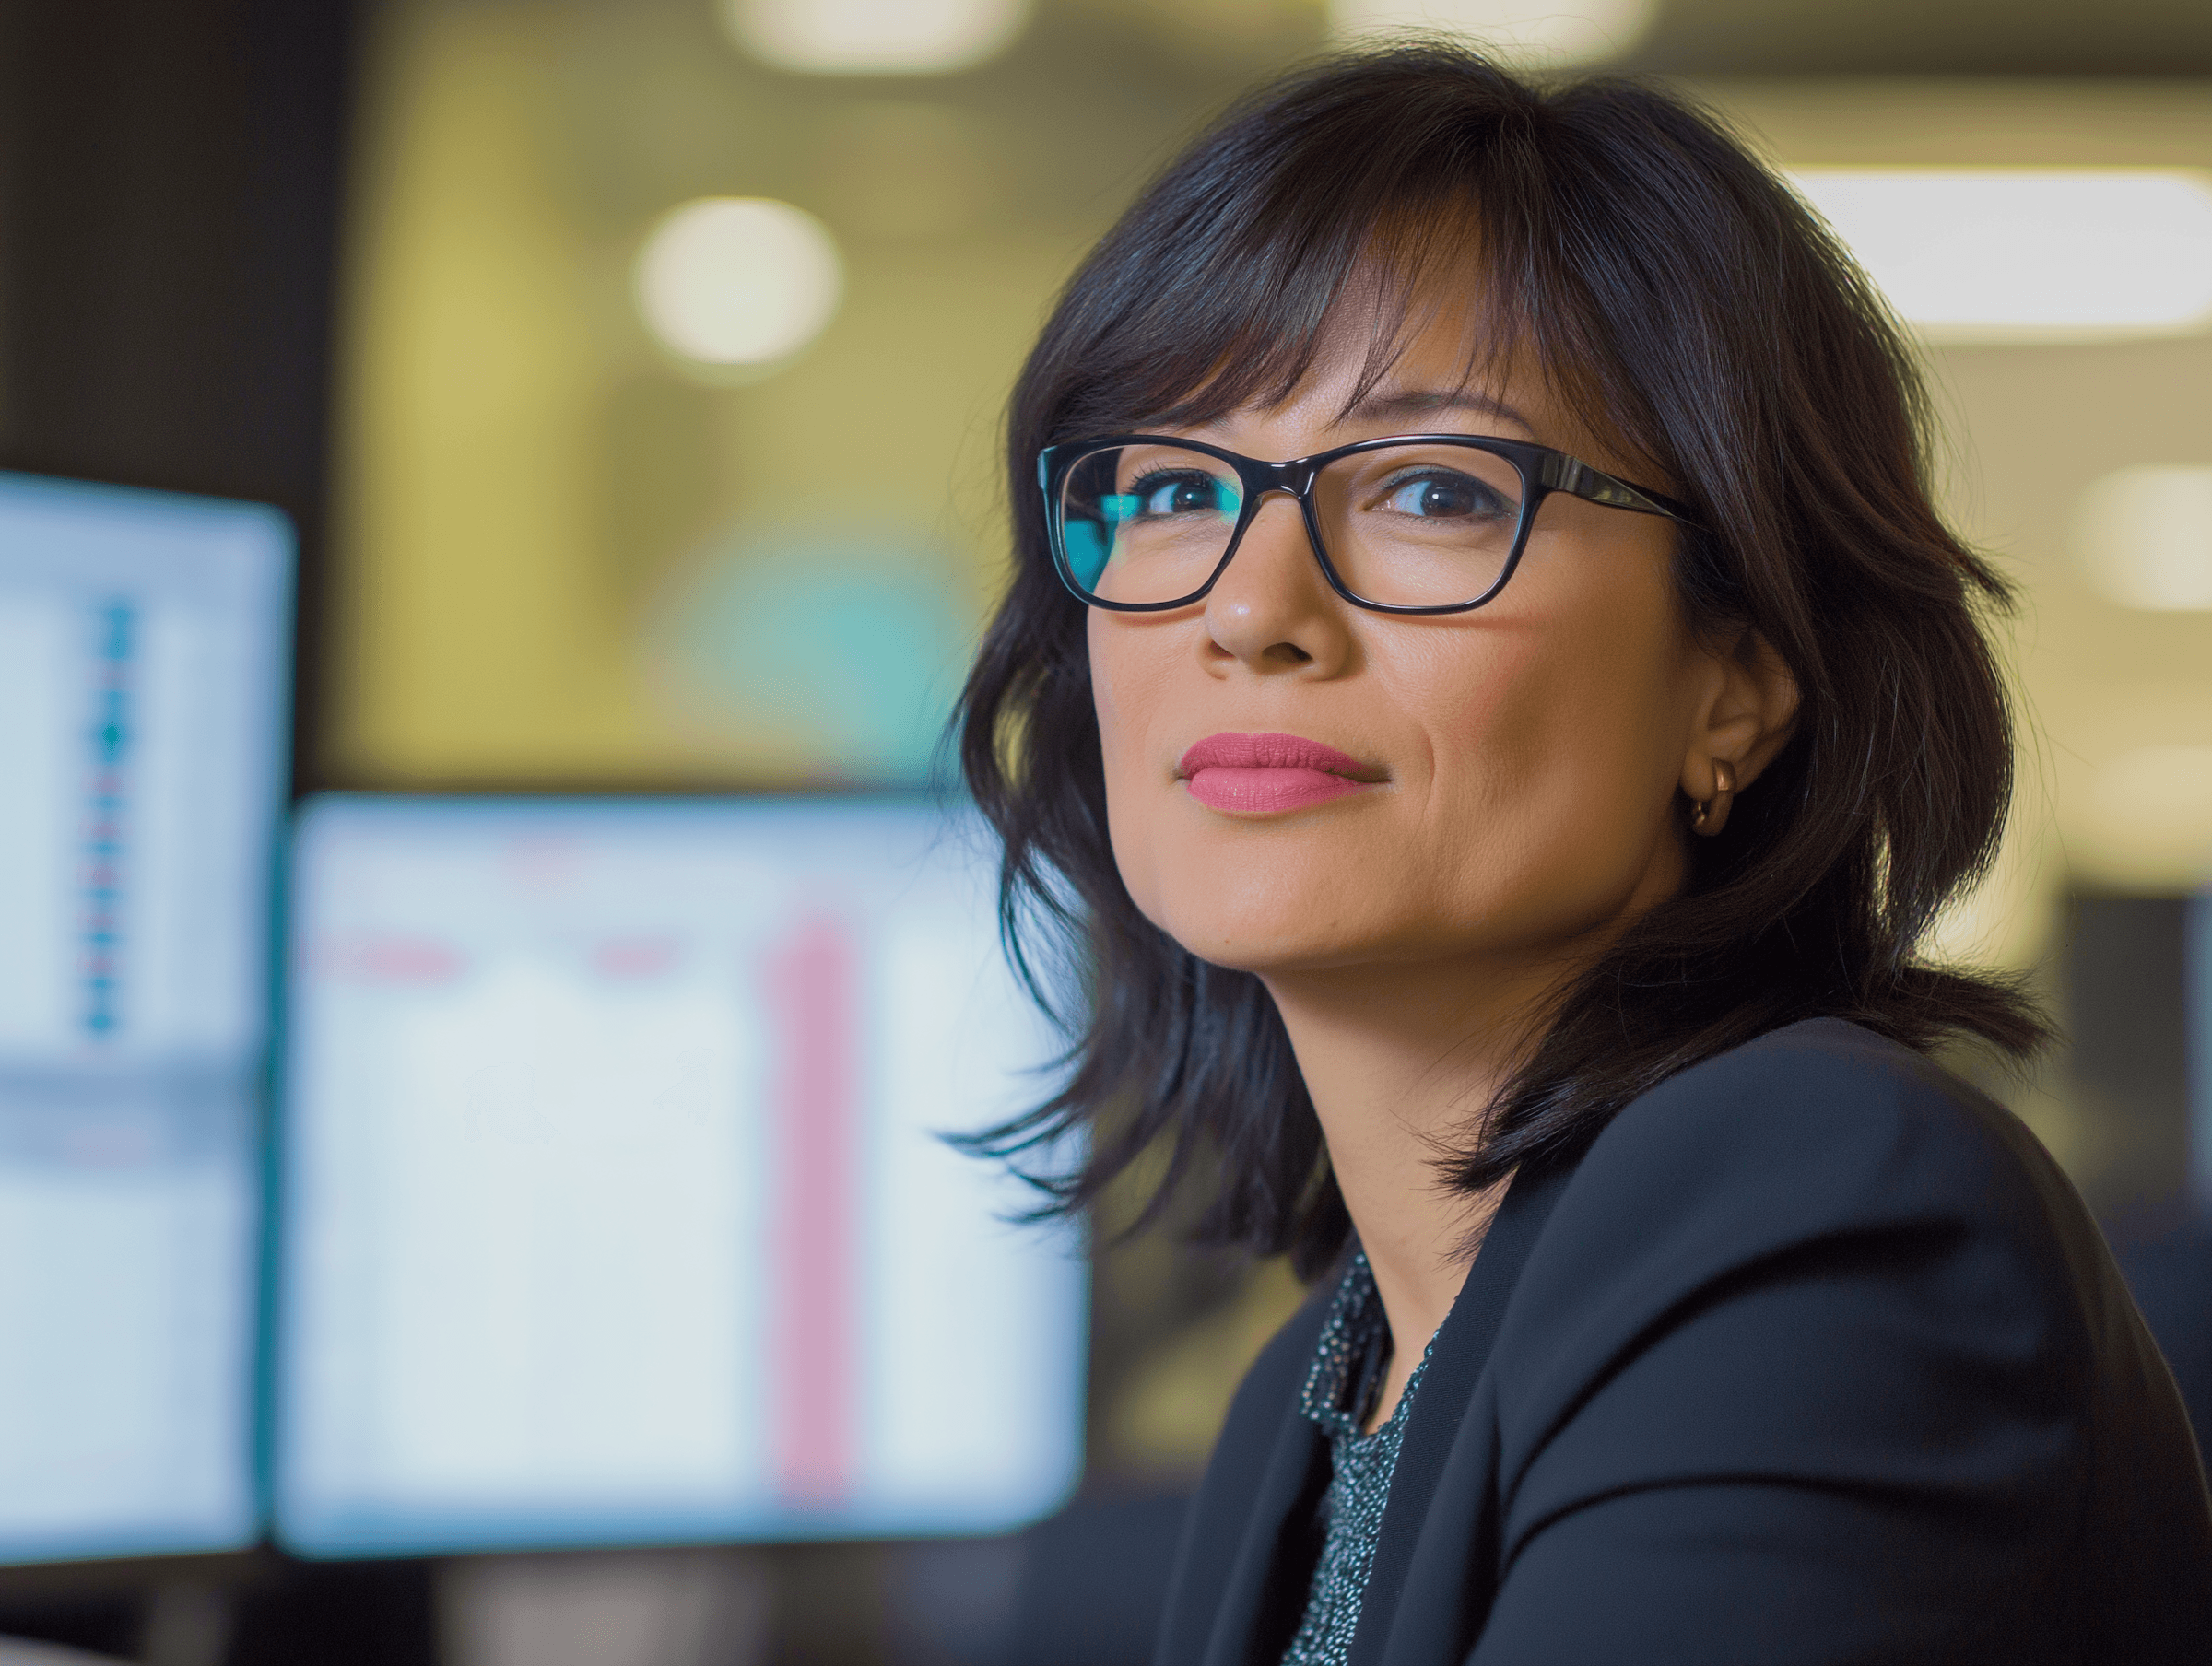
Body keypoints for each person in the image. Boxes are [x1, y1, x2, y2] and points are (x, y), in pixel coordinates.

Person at [955, 42, 2212, 1665]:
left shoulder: (1817, 1212)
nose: (1249, 611)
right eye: (1173, 487)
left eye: (1430, 489)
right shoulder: (1327, 1382)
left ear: (1740, 681)